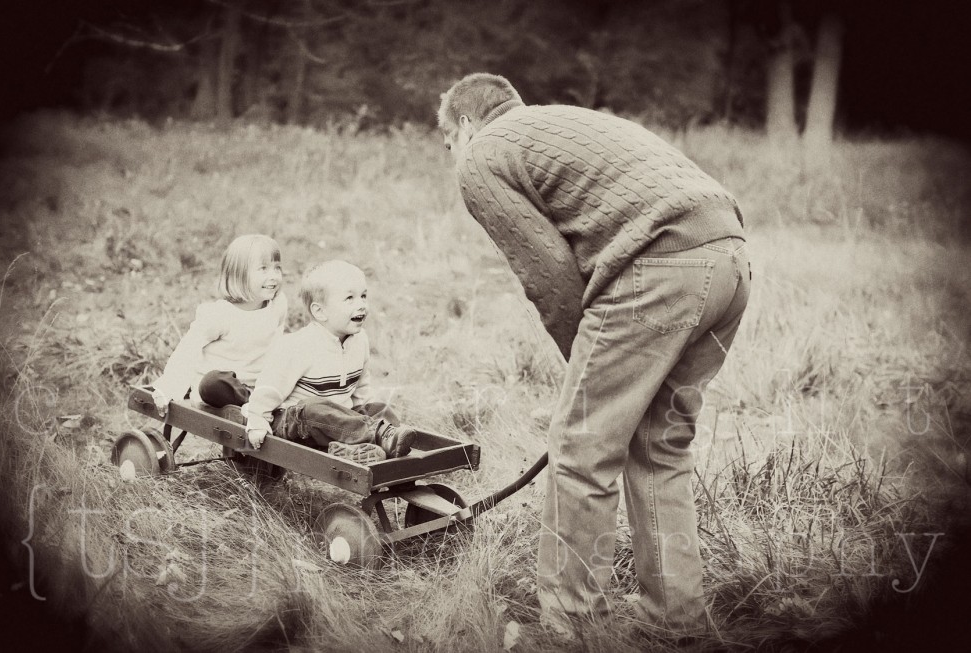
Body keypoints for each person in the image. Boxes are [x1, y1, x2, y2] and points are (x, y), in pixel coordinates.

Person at [438, 73, 750, 635]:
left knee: (583, 446)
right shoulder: (559, 123)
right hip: (730, 259)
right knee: (660, 448)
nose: (452, 157)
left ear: (464, 124)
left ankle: (571, 627)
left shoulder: (484, 153)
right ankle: (676, 619)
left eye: (447, 144)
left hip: (658, 269)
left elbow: (550, 277)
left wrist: (586, 373)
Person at [242, 260, 416, 464]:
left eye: (363, 296)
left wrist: (371, 413)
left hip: (338, 420)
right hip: (295, 423)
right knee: (313, 409)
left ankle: (368, 445)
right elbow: (268, 389)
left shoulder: (360, 340)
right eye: (349, 298)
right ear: (320, 312)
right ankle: (379, 437)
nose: (361, 304)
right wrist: (256, 420)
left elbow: (361, 388)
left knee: (378, 407)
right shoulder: (299, 346)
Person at [151, 234, 287, 415]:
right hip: (220, 393)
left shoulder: (277, 305)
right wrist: (167, 387)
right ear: (239, 275)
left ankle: (263, 404)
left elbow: (277, 346)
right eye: (263, 269)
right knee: (213, 382)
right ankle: (257, 408)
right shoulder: (220, 314)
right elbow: (188, 348)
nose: (273, 276)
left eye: (277, 268)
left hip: (258, 386)